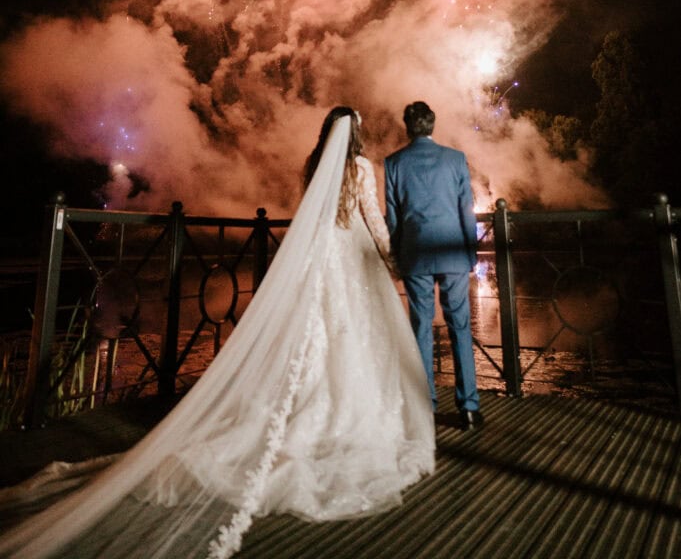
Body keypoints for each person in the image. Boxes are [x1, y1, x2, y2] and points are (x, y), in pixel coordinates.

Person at [0, 108, 434, 559]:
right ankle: (343, 411)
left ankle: (304, 404)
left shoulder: (314, 162)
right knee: (352, 336)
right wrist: (390, 260)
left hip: (320, 257)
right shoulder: (360, 167)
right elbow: (372, 216)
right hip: (351, 255)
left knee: (315, 334)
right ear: (357, 134)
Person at [384, 100, 483, 428]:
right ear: (432, 125)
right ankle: (468, 408)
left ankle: (424, 406)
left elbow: (394, 220)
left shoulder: (394, 163)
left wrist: (397, 257)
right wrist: (470, 253)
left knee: (421, 328)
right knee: (461, 328)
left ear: (407, 127)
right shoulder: (455, 159)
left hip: (416, 253)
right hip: (453, 251)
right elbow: (466, 210)